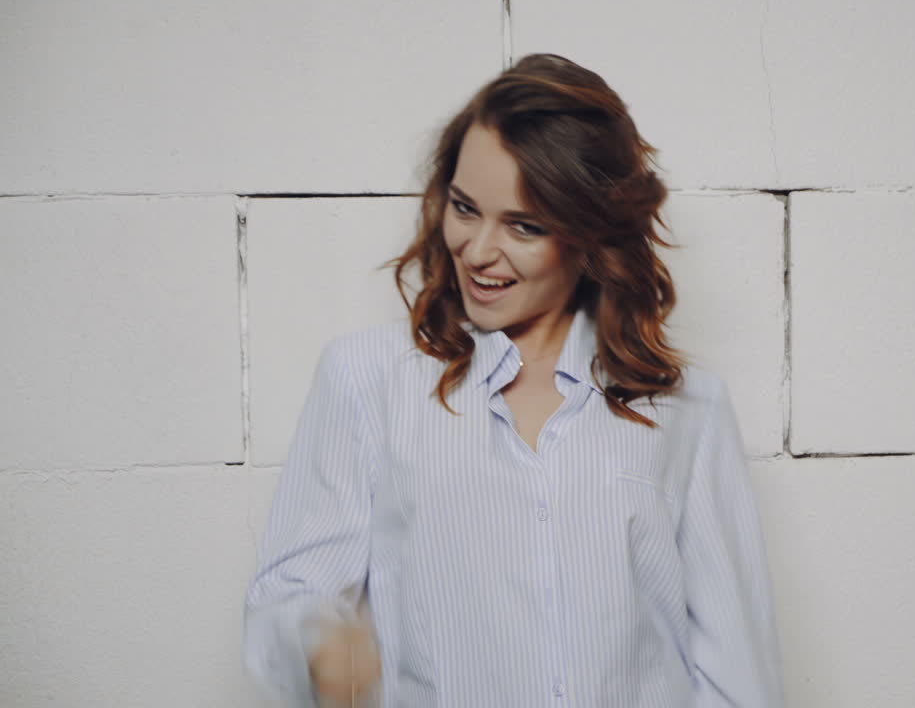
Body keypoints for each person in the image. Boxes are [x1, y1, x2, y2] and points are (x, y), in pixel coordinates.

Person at [242, 53, 783, 707]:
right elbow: (288, 601)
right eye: (466, 209)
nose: (476, 250)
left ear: (590, 237)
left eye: (524, 226)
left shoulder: (685, 407)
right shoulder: (368, 381)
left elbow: (738, 678)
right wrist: (320, 646)